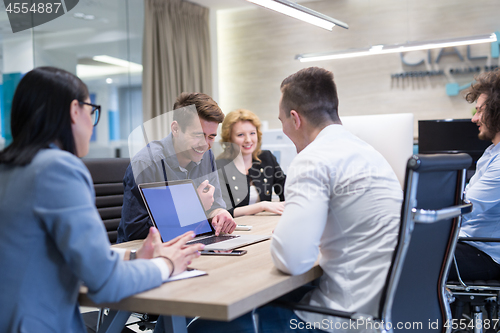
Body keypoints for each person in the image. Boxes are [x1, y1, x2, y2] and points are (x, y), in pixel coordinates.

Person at [189, 67, 403, 333]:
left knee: (201, 327)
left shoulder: (313, 159)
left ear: (295, 118)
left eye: (281, 122)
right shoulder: (370, 153)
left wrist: (287, 235)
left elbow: (292, 260)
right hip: (389, 310)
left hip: (341, 318)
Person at [0, 67, 204, 333]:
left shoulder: (9, 168)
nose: (92, 123)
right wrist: (166, 264)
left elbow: (49, 254)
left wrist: (132, 259)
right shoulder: (58, 168)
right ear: (75, 110)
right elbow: (104, 282)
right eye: (91, 111)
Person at [118, 92, 236, 243]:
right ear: (175, 129)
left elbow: (215, 206)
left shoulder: (207, 156)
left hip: (193, 244)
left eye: (211, 137)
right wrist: (192, 206)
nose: (205, 144)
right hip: (147, 253)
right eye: (198, 135)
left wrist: (220, 214)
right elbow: (136, 232)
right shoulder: (146, 163)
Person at [448, 69, 500, 281]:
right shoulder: (491, 153)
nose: (474, 118)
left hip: (487, 253)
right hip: (471, 242)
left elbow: (467, 208)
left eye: (479, 111)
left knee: (408, 258)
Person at [216, 109, 286, 217]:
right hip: (235, 229)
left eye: (252, 133)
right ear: (229, 139)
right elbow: (223, 212)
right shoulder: (219, 167)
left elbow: (285, 189)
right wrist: (262, 206)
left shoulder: (266, 158)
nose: (248, 140)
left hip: (263, 226)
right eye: (240, 135)